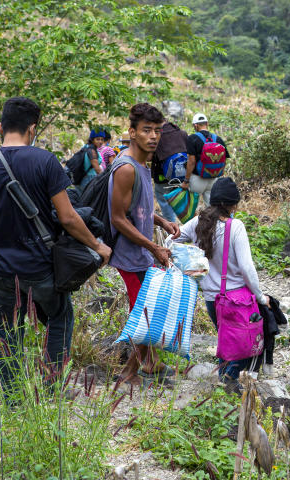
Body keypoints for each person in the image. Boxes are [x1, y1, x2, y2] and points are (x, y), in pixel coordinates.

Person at [0, 97, 112, 397]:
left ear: (1, 127)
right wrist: (97, 245)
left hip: (1, 268)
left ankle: (14, 399)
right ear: (33, 129)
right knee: (59, 318)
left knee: (7, 333)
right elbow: (67, 217)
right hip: (41, 267)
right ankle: (52, 389)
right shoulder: (46, 162)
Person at [108, 103, 181, 385]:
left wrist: (160, 221)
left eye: (157, 131)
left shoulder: (142, 165)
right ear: (132, 132)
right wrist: (153, 247)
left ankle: (151, 362)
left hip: (140, 251)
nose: (153, 136)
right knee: (145, 312)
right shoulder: (126, 168)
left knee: (145, 307)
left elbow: (136, 208)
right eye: (146, 130)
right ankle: (129, 372)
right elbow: (118, 218)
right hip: (128, 253)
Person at [174, 177, 270, 380]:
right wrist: (261, 297)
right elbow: (246, 267)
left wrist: (190, 265)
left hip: (211, 298)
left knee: (226, 340)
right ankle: (229, 383)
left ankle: (222, 384)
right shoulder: (236, 227)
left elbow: (170, 240)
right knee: (244, 345)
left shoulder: (198, 222)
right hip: (236, 299)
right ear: (233, 204)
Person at [182, 113, 229, 207]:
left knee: (191, 208)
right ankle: (213, 221)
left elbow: (191, 161)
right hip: (213, 179)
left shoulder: (192, 138)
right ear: (207, 123)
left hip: (197, 180)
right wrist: (220, 172)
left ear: (195, 125)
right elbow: (224, 159)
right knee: (212, 207)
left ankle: (194, 221)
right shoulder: (218, 139)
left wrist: (186, 181)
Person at [152, 121, 189, 224]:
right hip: (182, 177)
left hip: (162, 178)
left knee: (164, 201)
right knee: (183, 203)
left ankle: (172, 228)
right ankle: (187, 227)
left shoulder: (157, 136)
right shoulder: (183, 134)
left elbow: (152, 157)